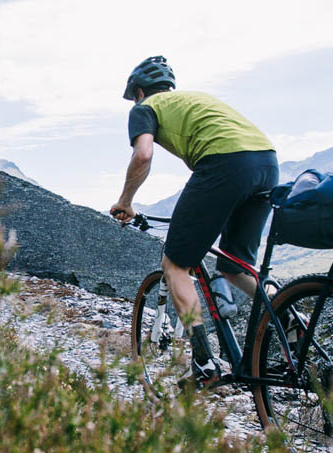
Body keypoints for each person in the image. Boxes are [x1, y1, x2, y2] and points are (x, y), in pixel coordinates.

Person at [110, 56, 279, 388]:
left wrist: (126, 201)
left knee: (175, 265)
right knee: (236, 267)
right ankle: (289, 313)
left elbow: (142, 155)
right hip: (267, 163)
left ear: (140, 92)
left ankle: (204, 363)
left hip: (225, 163)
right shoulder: (194, 100)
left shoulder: (145, 108)